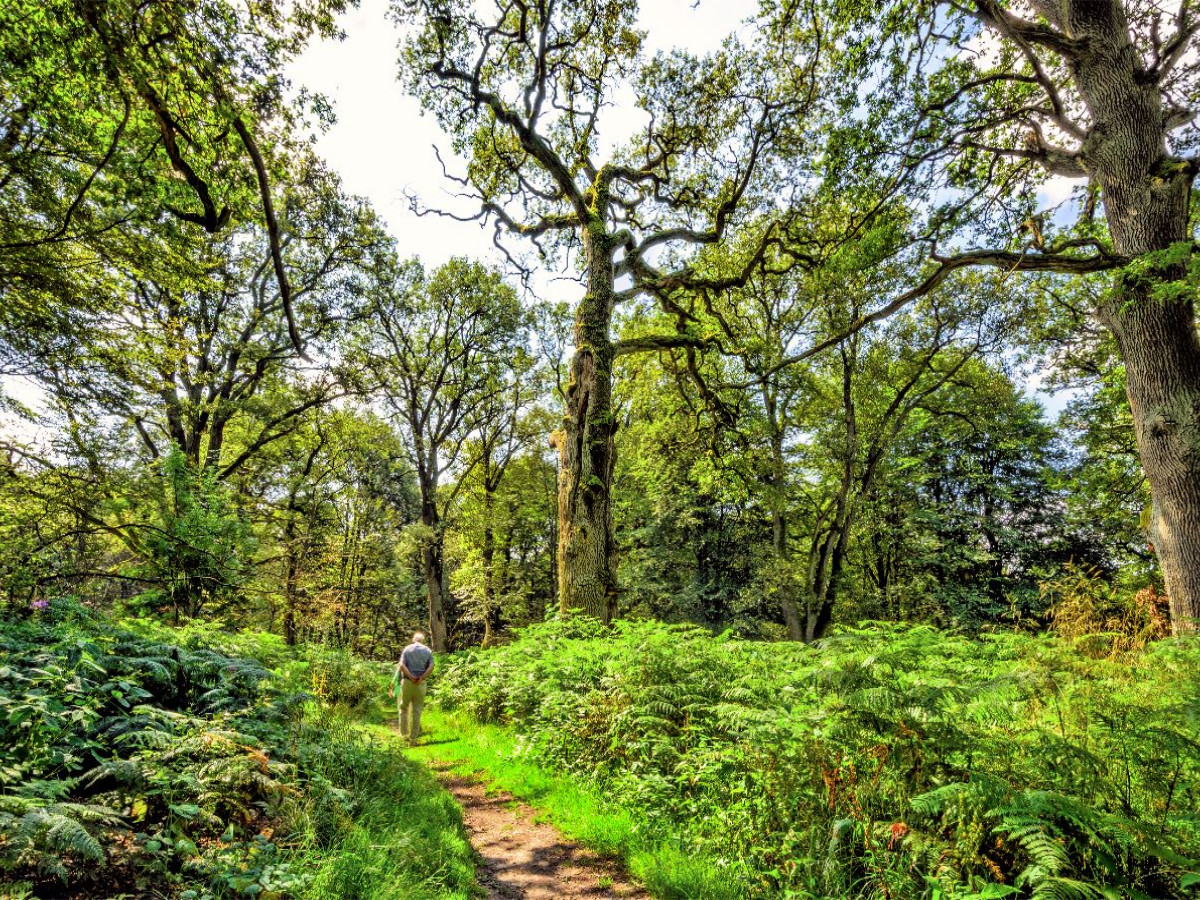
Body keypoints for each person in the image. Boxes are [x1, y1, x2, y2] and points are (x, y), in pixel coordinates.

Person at [389, 631, 434, 745]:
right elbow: (431, 666)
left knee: (403, 708)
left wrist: (410, 676)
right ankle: (414, 738)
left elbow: (401, 665)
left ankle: (404, 736)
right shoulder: (427, 651)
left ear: (414, 639)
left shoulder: (407, 649)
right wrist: (422, 678)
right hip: (421, 684)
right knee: (417, 710)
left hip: (407, 683)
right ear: (422, 640)